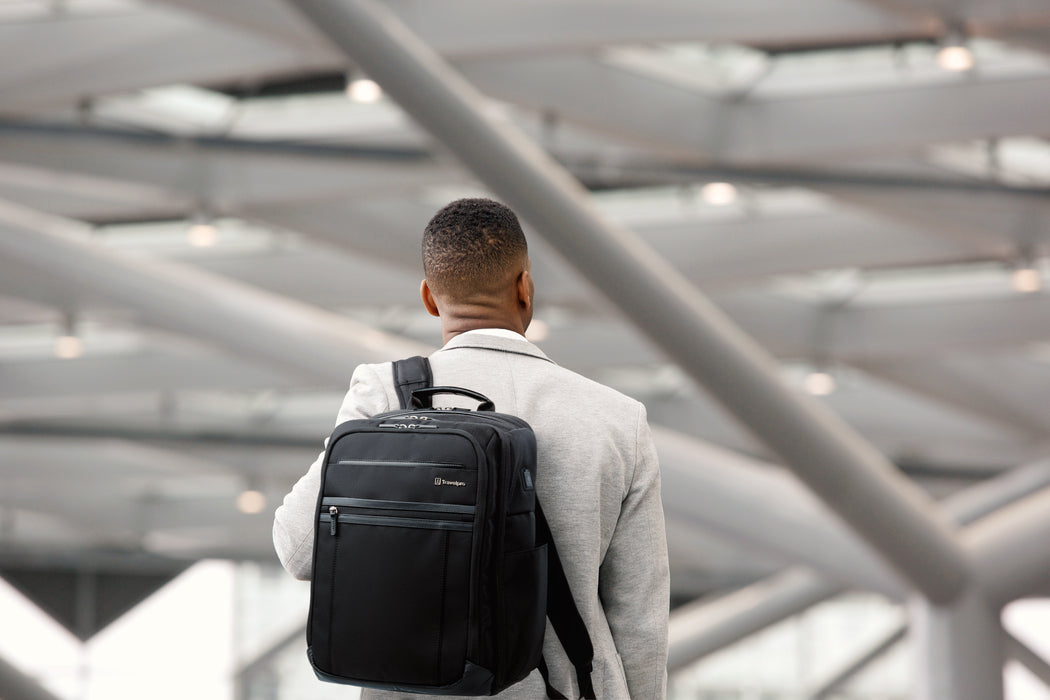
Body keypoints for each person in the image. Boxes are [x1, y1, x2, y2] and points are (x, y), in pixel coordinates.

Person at [273, 198, 669, 699]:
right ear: (525, 287)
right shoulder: (617, 417)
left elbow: (298, 550)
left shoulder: (386, 396)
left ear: (429, 298)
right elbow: (640, 620)